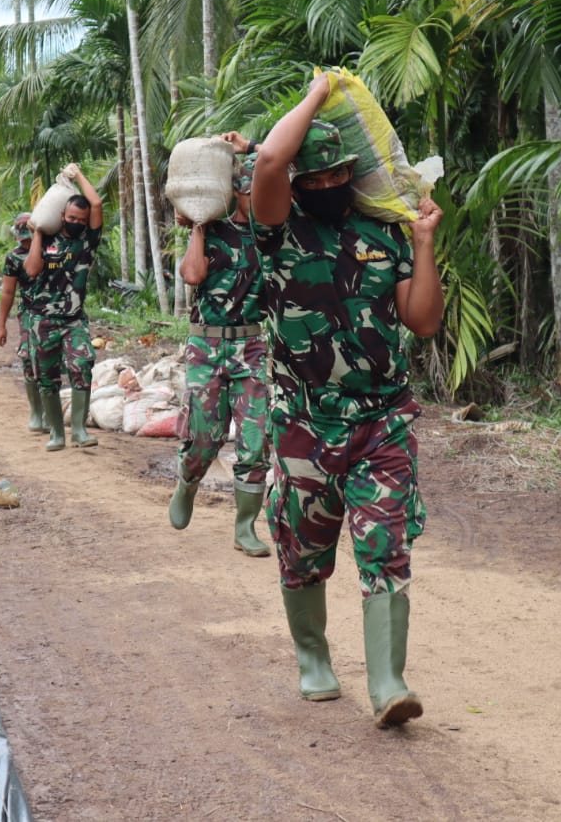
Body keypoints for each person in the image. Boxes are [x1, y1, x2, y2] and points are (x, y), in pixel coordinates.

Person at [250, 77, 444, 728]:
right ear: (303, 180)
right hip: (305, 426)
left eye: (341, 171)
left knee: (385, 545)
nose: (329, 182)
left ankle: (389, 682)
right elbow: (272, 162)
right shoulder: (278, 229)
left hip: (380, 423)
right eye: (318, 174)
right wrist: (312, 94)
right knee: (301, 550)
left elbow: (421, 322)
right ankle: (313, 658)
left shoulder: (381, 234)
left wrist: (421, 241)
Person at [168, 144, 271, 558]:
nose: (251, 197)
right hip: (206, 343)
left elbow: (290, 162)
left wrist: (251, 148)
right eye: (245, 190)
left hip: (251, 344)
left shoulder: (270, 234)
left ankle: (244, 527)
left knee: (254, 439)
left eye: (254, 189)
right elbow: (193, 275)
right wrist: (197, 225)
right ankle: (187, 483)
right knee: (203, 436)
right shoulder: (211, 229)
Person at [23, 165, 103, 451]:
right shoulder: (46, 239)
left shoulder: (87, 242)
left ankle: (79, 431)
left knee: (82, 365)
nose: (76, 222)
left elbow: (95, 203)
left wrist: (78, 174)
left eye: (81, 219)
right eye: (71, 218)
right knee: (47, 378)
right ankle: (57, 433)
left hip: (73, 319)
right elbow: (32, 271)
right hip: (42, 320)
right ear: (61, 217)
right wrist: (37, 235)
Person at [0, 213, 47, 434]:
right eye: (23, 238)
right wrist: (1, 325)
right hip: (29, 312)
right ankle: (36, 412)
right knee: (28, 357)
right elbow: (8, 292)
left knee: (50, 362)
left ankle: (49, 411)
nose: (26, 242)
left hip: (55, 312)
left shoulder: (52, 250)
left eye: (29, 236)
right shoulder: (14, 258)